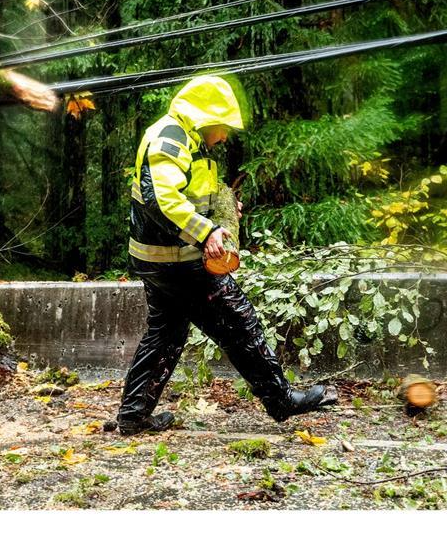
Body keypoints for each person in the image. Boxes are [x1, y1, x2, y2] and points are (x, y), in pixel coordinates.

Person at [115, 75, 336, 435]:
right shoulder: (169, 138)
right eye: (224, 127)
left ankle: (133, 415)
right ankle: (281, 401)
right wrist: (207, 232)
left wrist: (224, 213)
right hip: (177, 261)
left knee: (166, 334)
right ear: (206, 118)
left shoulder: (185, 140)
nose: (225, 136)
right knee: (240, 321)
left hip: (161, 259)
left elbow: (189, 195)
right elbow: (162, 198)